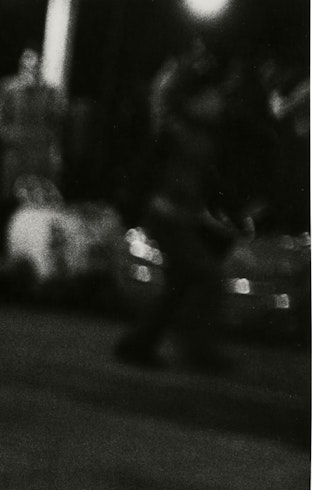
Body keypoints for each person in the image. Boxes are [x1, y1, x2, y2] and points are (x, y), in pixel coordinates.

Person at [114, 49, 239, 371]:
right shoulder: (177, 129)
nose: (218, 101)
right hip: (166, 214)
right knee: (207, 278)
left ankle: (139, 344)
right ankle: (199, 353)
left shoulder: (200, 132)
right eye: (212, 96)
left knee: (180, 285)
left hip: (178, 215)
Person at [0, 48, 68, 200]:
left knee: (38, 195)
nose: (30, 68)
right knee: (9, 194)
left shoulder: (49, 91)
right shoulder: (8, 86)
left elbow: (57, 119)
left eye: (35, 65)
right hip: (15, 150)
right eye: (27, 64)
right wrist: (8, 136)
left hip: (39, 151)